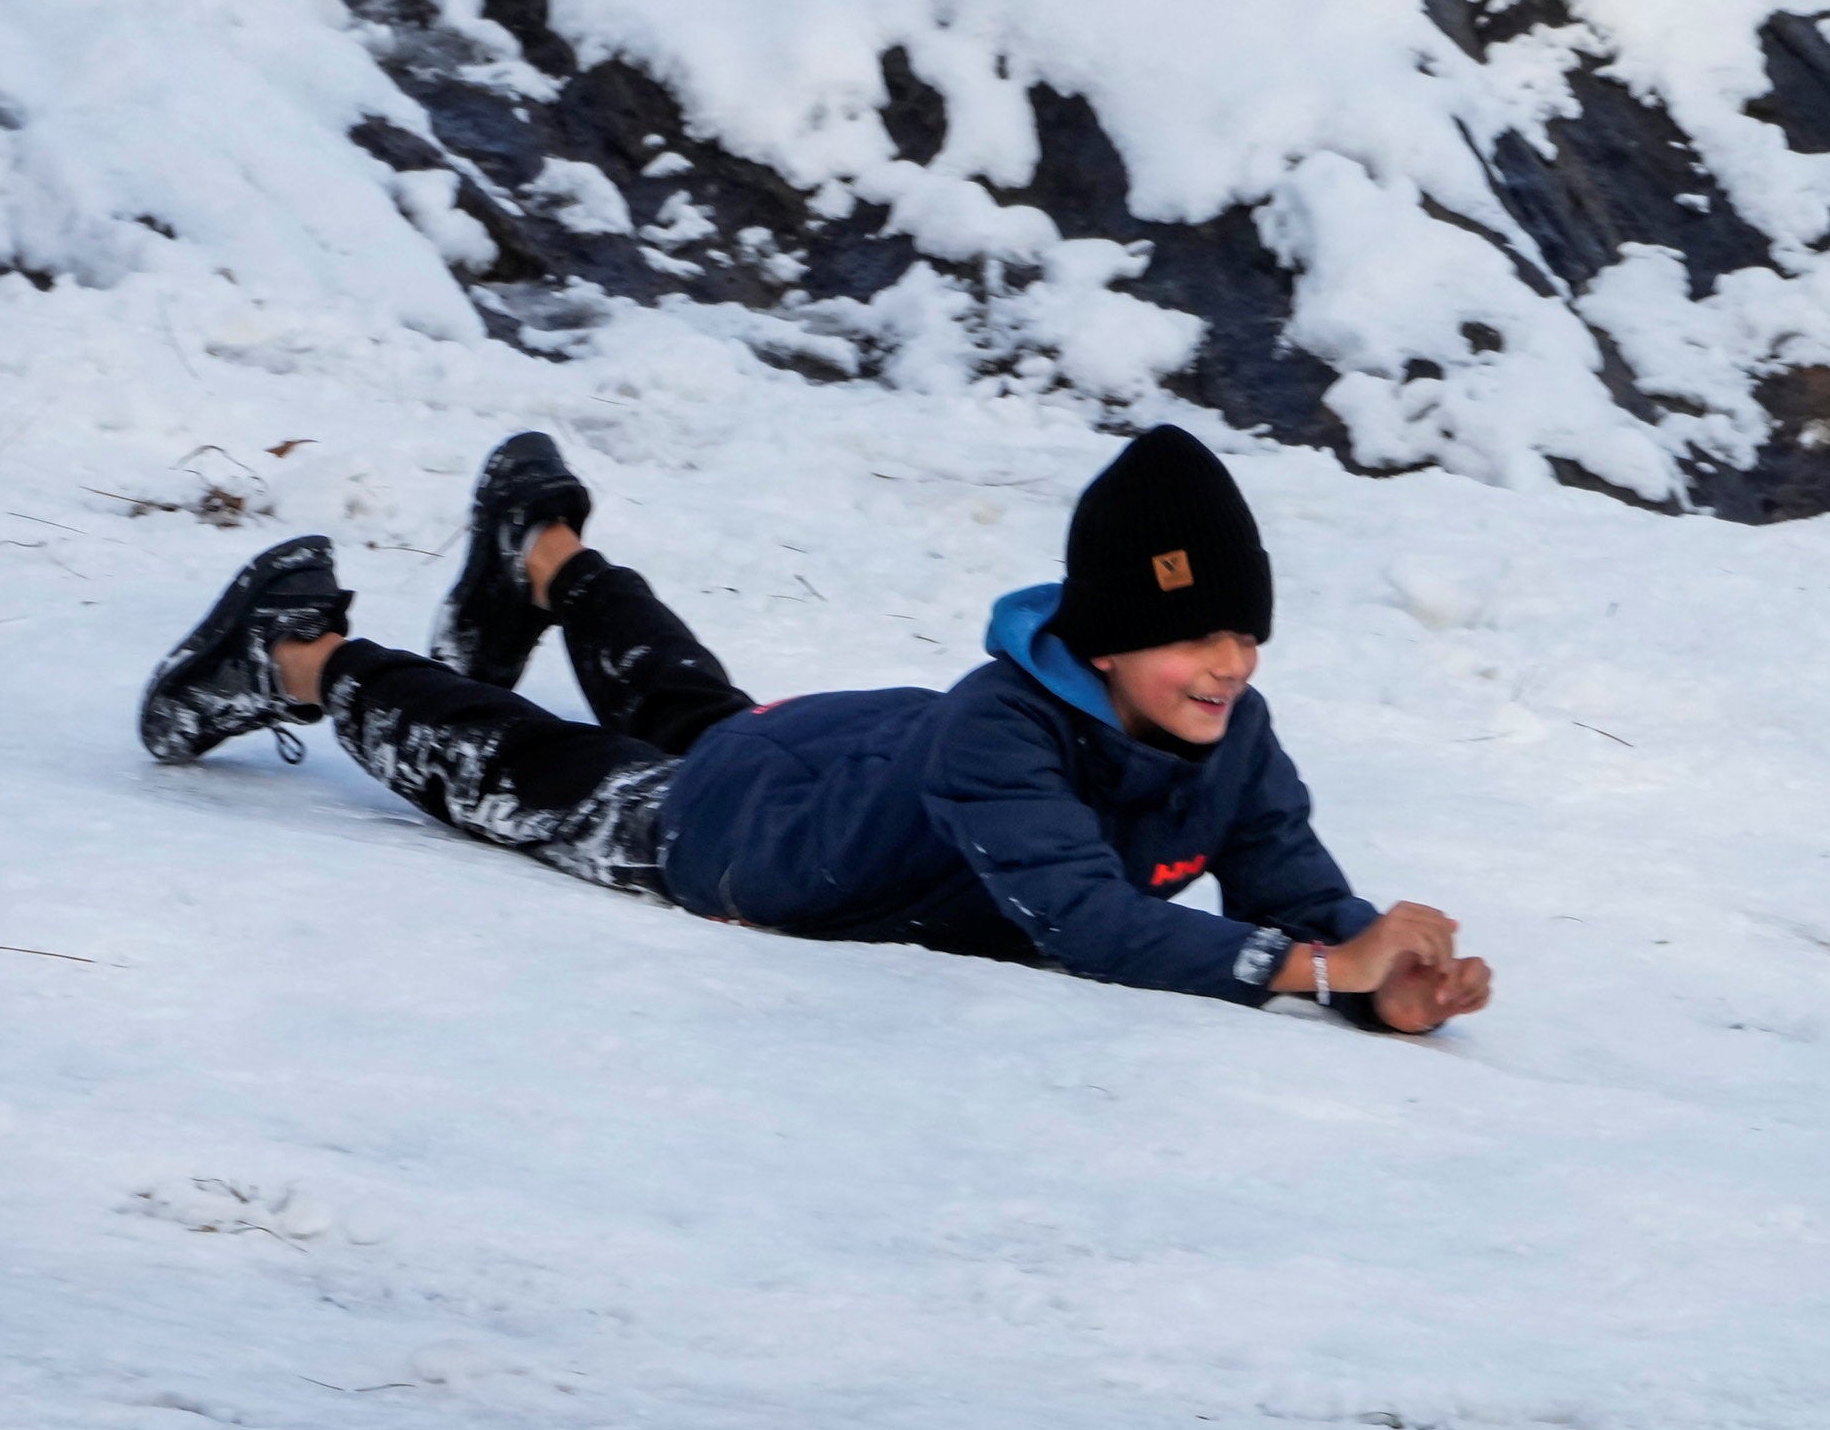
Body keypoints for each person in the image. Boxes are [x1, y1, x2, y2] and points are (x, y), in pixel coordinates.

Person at [136, 424, 1492, 1035]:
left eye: (1247, 635)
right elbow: (1083, 919)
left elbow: (1294, 889)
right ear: (1104, 637)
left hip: (845, 761)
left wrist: (1378, 975)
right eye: (1196, 636)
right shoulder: (1002, 734)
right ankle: (296, 649)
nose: (1229, 663)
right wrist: (1319, 969)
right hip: (738, 836)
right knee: (532, 766)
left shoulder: (1230, 733)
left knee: (693, 708)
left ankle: (538, 550)